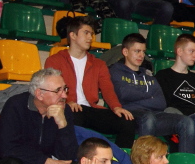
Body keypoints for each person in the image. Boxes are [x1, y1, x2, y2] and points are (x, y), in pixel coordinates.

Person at [45, 17, 136, 148]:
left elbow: (107, 88)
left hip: (90, 110)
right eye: (86, 33)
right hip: (67, 108)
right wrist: (67, 102)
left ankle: (121, 157)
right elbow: (53, 89)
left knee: (127, 121)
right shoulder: (55, 60)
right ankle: (72, 156)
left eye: (92, 34)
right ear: (73, 35)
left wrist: (116, 107)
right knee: (72, 115)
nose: (90, 37)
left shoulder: (99, 64)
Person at [109, 33, 195, 155]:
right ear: (125, 52)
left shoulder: (148, 74)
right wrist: (148, 94)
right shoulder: (116, 71)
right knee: (148, 117)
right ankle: (145, 162)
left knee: (186, 121)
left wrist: (137, 95)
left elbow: (161, 102)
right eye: (137, 51)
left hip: (155, 116)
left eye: (143, 52)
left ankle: (184, 163)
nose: (141, 55)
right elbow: (123, 94)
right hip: (130, 116)